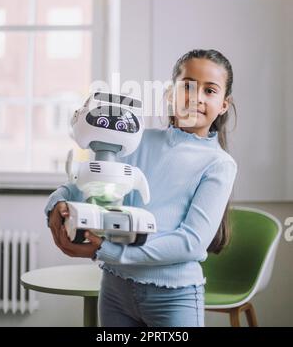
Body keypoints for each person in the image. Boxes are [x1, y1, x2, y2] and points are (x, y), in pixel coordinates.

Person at [45, 48, 238, 327]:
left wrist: (107, 252)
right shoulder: (134, 140)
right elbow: (90, 184)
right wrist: (57, 202)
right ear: (171, 94)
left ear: (223, 104)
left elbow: (190, 243)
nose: (196, 97)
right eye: (187, 86)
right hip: (115, 289)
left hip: (173, 298)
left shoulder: (220, 164)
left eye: (210, 91)